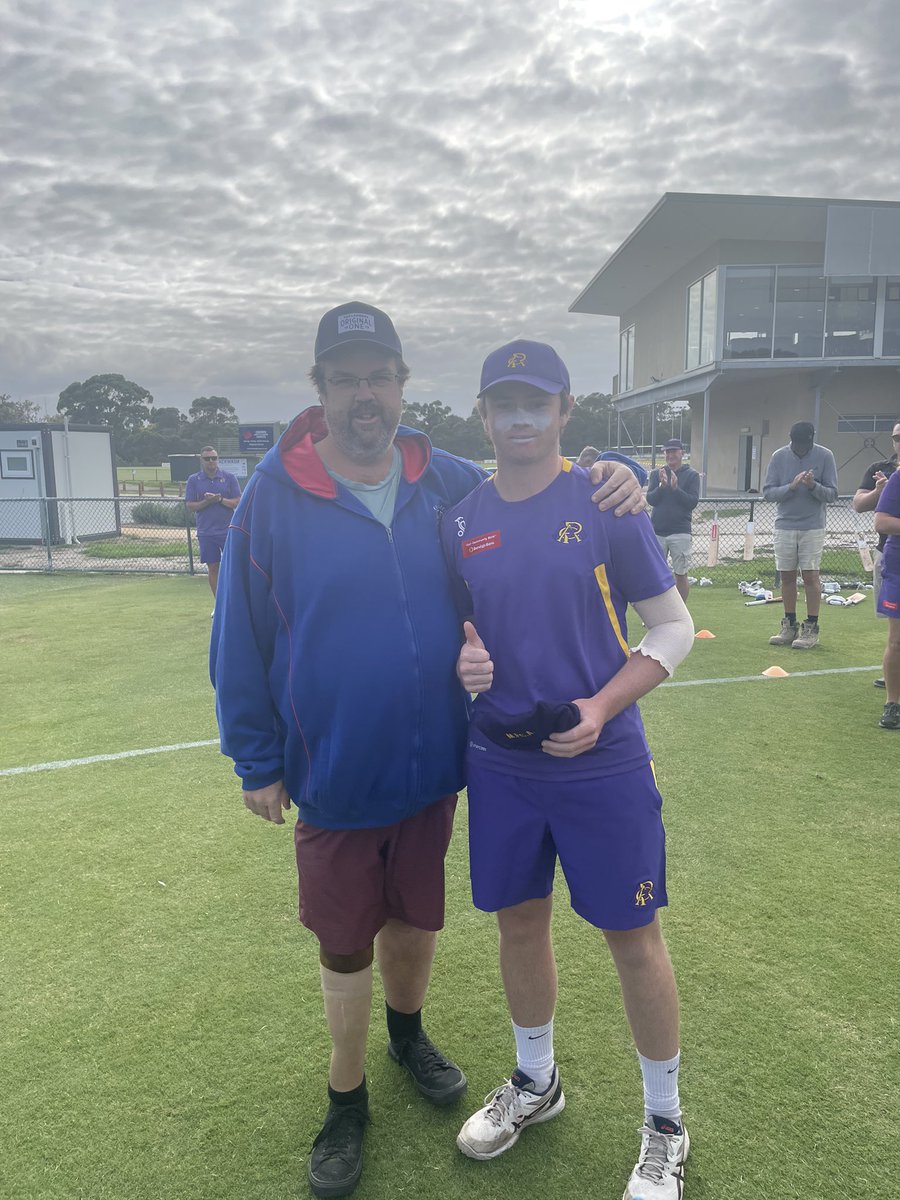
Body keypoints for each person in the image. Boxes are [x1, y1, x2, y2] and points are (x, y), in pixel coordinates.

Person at [208, 303, 645, 1199]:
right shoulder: (272, 495)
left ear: (403, 387)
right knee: (342, 941)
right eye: (346, 379)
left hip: (438, 762)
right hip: (333, 764)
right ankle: (346, 1097)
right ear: (320, 391)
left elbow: (534, 476)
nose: (364, 395)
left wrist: (619, 473)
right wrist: (257, 759)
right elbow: (237, 636)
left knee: (415, 916)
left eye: (379, 377)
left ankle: (407, 1037)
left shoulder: (443, 478)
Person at [441, 340, 694, 1200]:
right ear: (482, 416)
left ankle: (665, 1123)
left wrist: (600, 709)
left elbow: (672, 631)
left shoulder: (606, 501)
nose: (519, 420)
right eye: (503, 405)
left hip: (602, 762)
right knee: (519, 926)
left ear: (563, 411)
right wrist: (465, 665)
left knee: (632, 939)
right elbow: (467, 634)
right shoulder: (461, 518)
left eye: (535, 404)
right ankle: (535, 1081)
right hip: (502, 765)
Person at [763, 421, 838, 650]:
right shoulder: (779, 456)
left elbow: (833, 494)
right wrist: (791, 486)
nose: (801, 449)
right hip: (785, 525)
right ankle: (789, 624)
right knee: (786, 576)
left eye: (805, 445)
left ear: (811, 440)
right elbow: (768, 493)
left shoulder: (825, 456)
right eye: (797, 445)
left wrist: (813, 486)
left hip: (812, 526)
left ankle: (811, 626)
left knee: (810, 577)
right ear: (791, 439)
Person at [852, 421, 900, 687]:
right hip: (890, 554)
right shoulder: (879, 470)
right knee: (893, 623)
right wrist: (878, 492)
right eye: (897, 436)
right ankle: (893, 671)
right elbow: (859, 505)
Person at [646, 438, 701, 602]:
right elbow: (651, 499)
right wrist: (662, 487)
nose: (670, 455)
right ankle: (659, 611)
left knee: (681, 574)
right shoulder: (657, 474)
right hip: (657, 531)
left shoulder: (691, 475)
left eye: (673, 451)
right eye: (667, 452)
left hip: (680, 532)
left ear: (682, 453)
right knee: (656, 574)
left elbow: (692, 502)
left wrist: (676, 489)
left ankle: (680, 613)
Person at [184, 447, 241, 600]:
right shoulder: (193, 480)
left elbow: (237, 502)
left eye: (214, 458)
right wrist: (206, 502)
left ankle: (234, 601)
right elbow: (190, 505)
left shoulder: (229, 478)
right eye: (207, 458)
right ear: (201, 460)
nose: (211, 461)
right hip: (206, 532)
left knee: (233, 567)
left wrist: (220, 500)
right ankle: (219, 604)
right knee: (213, 567)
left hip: (228, 530)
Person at [874, 466, 900, 729]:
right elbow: (881, 522)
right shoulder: (898, 478)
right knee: (897, 640)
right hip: (899, 566)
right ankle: (892, 704)